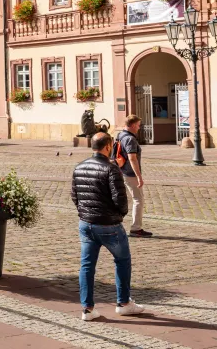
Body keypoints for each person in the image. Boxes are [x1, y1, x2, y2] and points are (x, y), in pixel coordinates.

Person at [72, 131, 144, 321]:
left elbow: (74, 196)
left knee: (87, 265)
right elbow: (120, 200)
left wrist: (84, 213)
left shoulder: (79, 166)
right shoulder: (111, 169)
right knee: (122, 260)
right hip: (108, 224)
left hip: (86, 223)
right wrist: (119, 215)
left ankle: (87, 309)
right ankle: (124, 303)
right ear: (107, 147)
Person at [115, 115, 152, 237]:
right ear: (132, 125)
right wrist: (139, 176)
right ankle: (136, 228)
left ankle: (115, 225)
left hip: (121, 171)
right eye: (138, 125)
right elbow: (132, 158)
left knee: (121, 199)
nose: (139, 128)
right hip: (130, 173)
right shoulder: (130, 139)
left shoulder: (120, 135)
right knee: (138, 200)